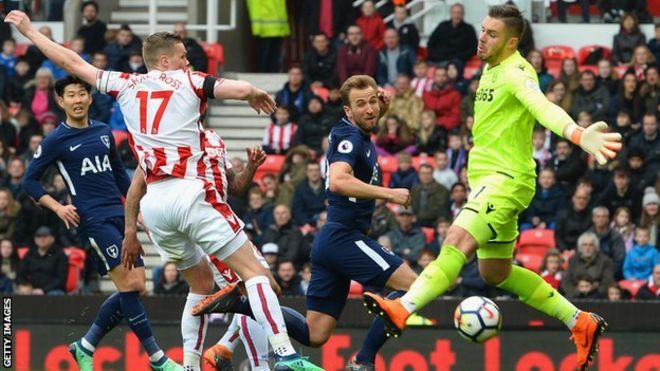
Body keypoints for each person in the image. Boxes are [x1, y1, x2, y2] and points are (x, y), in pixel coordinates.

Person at [4, 10, 320, 371]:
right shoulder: (188, 80)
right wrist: (252, 92)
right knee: (257, 276)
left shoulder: (124, 83)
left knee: (200, 287)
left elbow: (71, 60)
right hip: (190, 193)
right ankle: (284, 355)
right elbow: (238, 88)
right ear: (166, 61)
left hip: (155, 203)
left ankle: (187, 365)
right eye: (184, 56)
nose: (189, 61)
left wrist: (29, 31)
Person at [361, 6, 621, 371]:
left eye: (492, 34)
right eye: (483, 30)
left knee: (455, 241)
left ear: (512, 41)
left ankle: (402, 308)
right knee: (495, 273)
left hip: (505, 181)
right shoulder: (490, 65)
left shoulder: (517, 72)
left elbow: (542, 107)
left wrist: (578, 134)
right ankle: (579, 320)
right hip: (488, 181)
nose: (482, 38)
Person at [193, 75, 417, 371]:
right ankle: (363, 359)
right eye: (361, 104)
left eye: (373, 102)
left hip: (329, 243)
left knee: (314, 334)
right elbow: (338, 181)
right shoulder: (351, 138)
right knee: (415, 287)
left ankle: (240, 303)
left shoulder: (353, 132)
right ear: (347, 111)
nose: (371, 109)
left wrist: (379, 110)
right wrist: (389, 194)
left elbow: (364, 129)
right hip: (344, 238)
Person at [19, 75, 180, 370]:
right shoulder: (56, 139)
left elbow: (120, 176)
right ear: (61, 101)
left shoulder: (105, 131)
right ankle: (157, 358)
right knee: (130, 287)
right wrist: (57, 207)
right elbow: (29, 180)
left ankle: (86, 344)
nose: (77, 100)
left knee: (137, 288)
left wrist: (138, 211)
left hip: (121, 216)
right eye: (71, 95)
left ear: (90, 98)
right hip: (93, 218)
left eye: (82, 94)